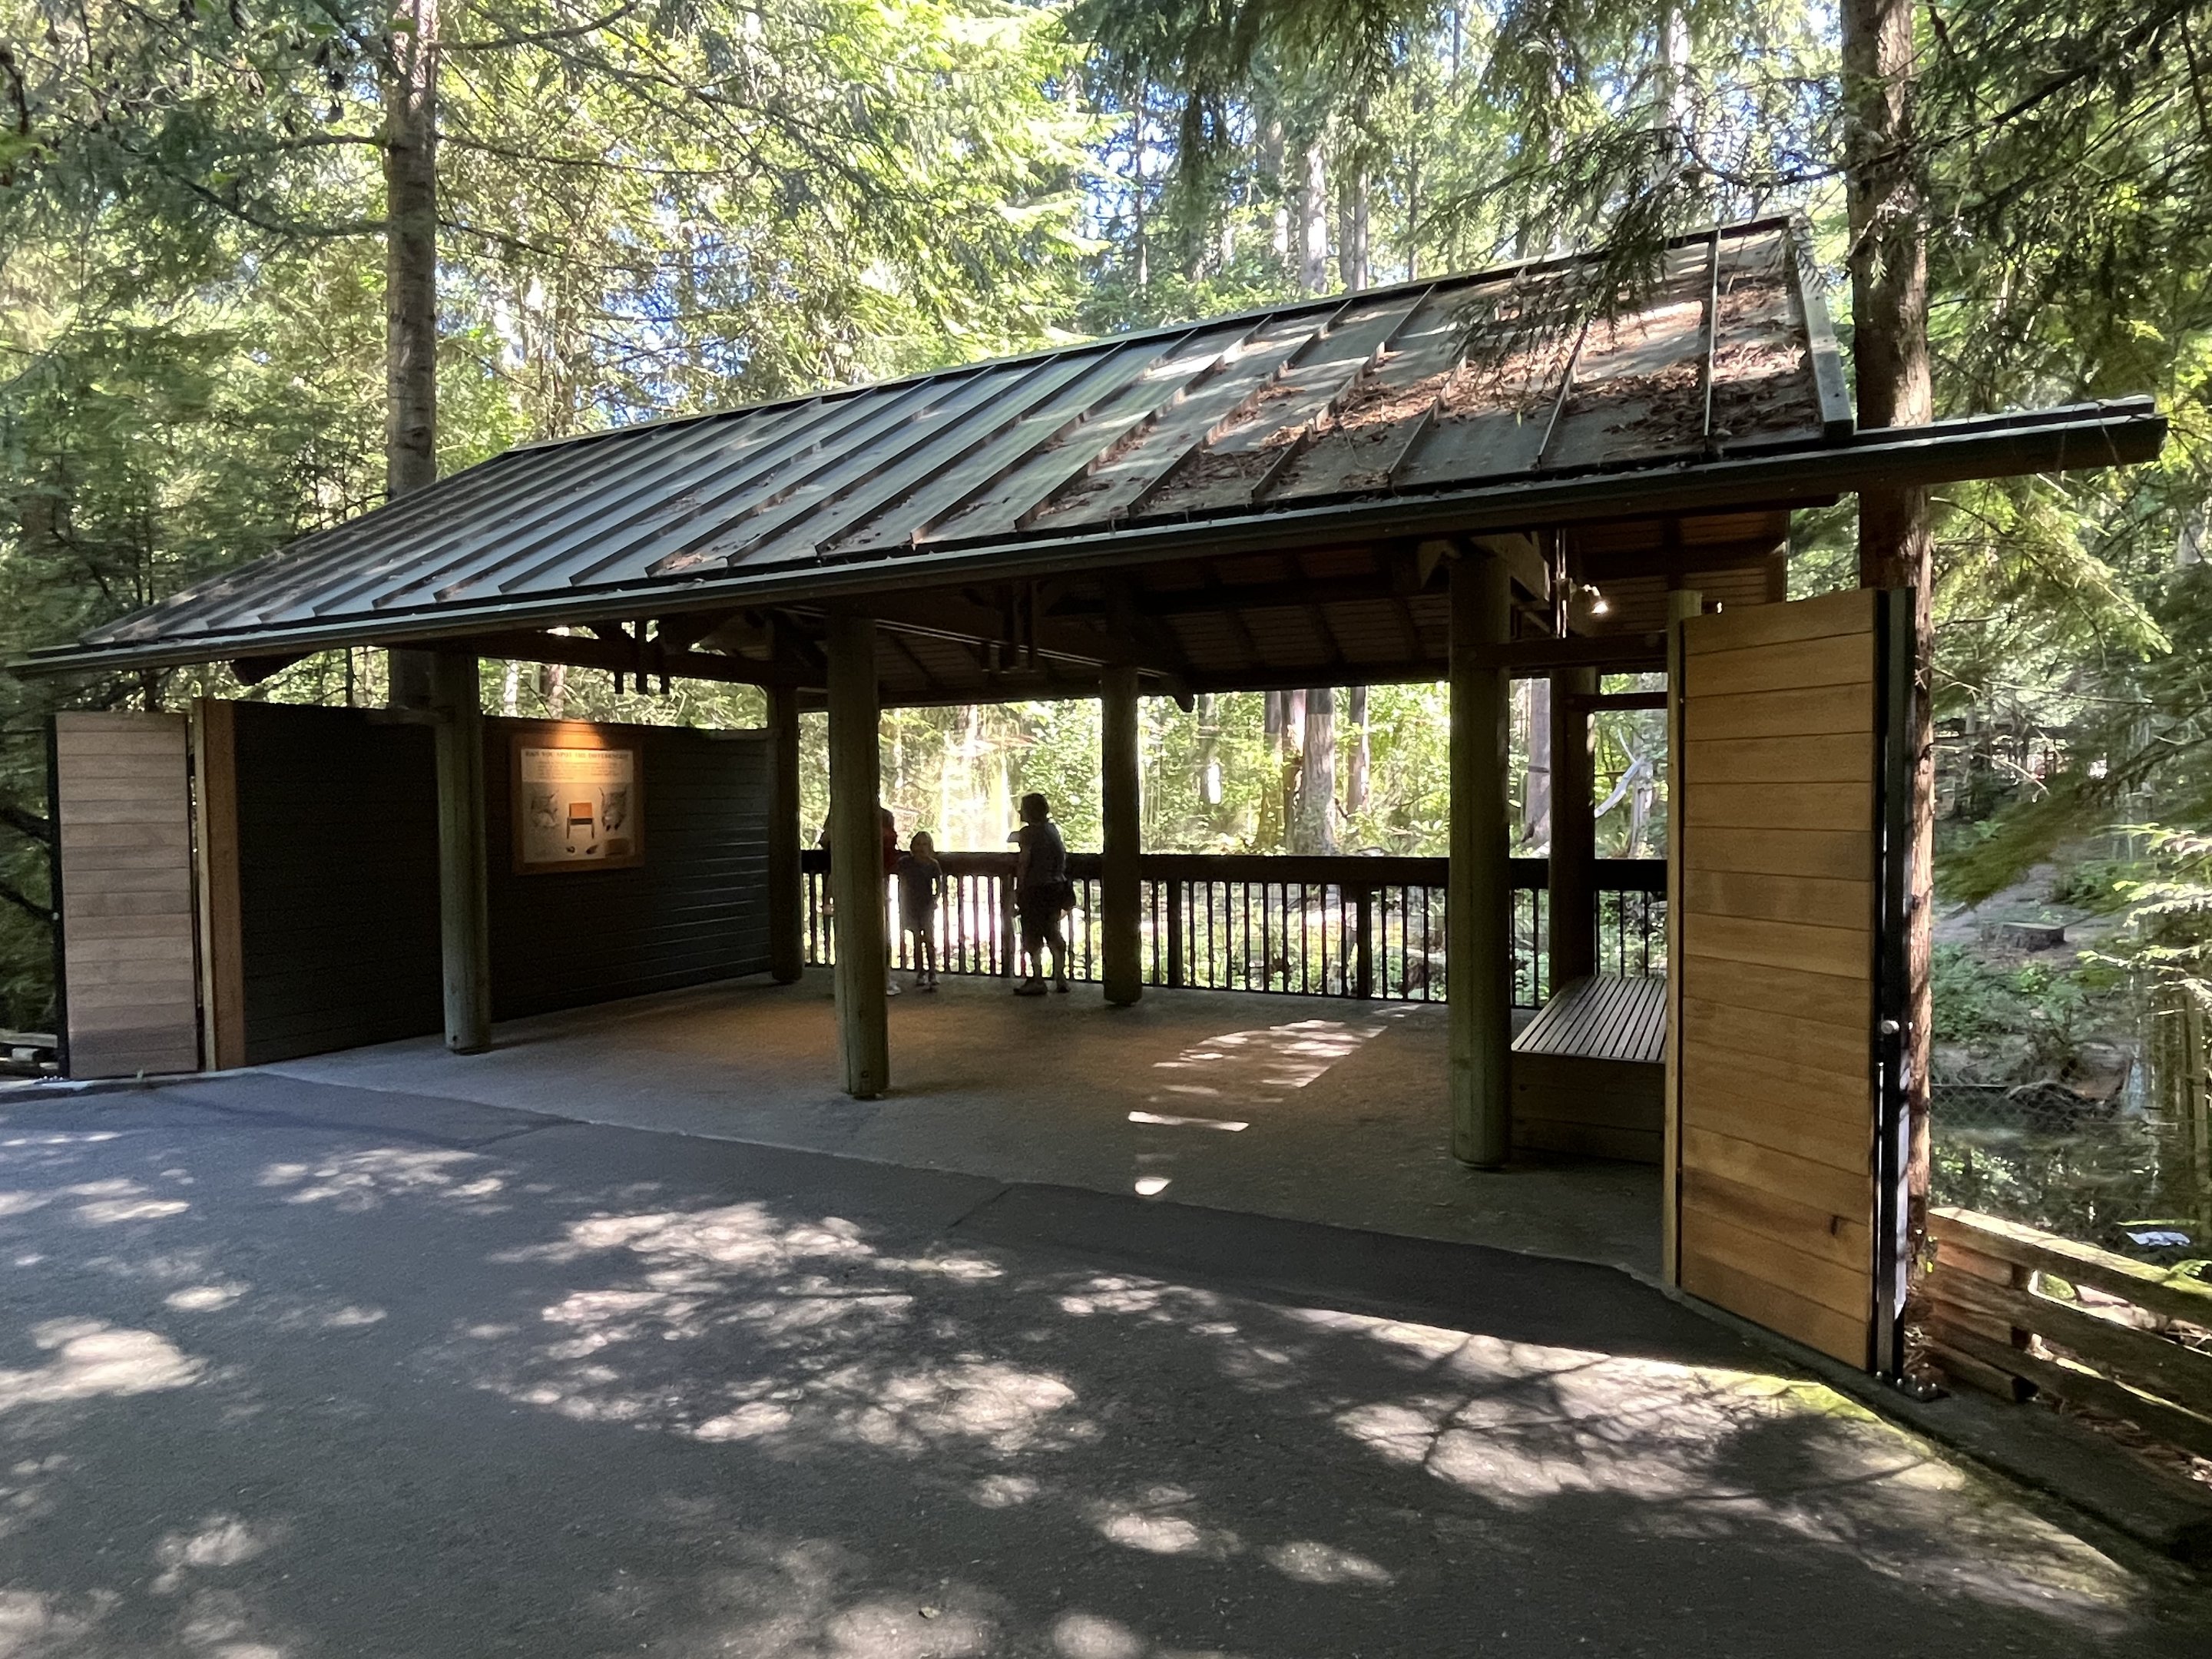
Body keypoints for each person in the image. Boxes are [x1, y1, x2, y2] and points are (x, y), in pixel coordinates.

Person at [1012, 792, 1068, 995]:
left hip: (1035, 889)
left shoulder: (1028, 834)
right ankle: (1060, 977)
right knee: (1052, 930)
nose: (1020, 812)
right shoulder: (1053, 830)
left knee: (1032, 934)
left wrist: (1019, 889)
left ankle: (1037, 979)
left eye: (1023, 808)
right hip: (1055, 888)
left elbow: (1024, 862)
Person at [899, 830, 943, 992]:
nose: (921, 848)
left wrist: (935, 899)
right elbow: (903, 882)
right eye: (918, 844)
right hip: (911, 905)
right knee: (917, 939)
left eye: (925, 844)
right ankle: (920, 971)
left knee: (929, 939)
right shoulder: (906, 863)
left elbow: (939, 885)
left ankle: (933, 971)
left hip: (926, 905)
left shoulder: (932, 864)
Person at [880, 806, 902, 996]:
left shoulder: (885, 817)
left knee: (882, 930)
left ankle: (883, 976)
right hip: (880, 879)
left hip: (880, 880)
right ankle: (882, 976)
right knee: (881, 930)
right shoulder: (884, 818)